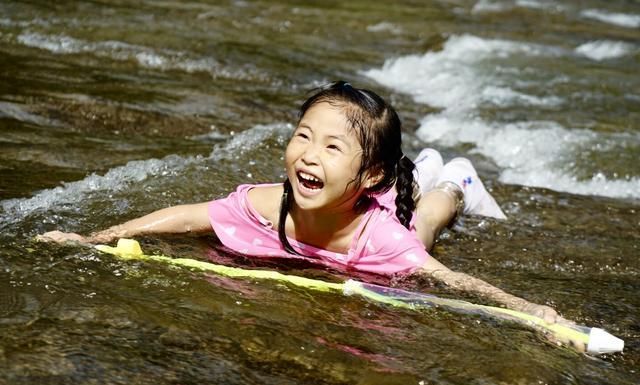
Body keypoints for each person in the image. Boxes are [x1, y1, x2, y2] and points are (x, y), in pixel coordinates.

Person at [40, 81, 560, 323]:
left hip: (381, 227)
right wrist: (96, 238)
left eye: (332, 147)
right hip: (372, 190)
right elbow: (186, 216)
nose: (309, 156)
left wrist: (533, 311)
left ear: (369, 173)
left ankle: (456, 182)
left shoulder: (382, 239)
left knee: (425, 222)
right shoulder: (269, 205)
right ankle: (424, 173)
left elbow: (454, 283)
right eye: (303, 136)